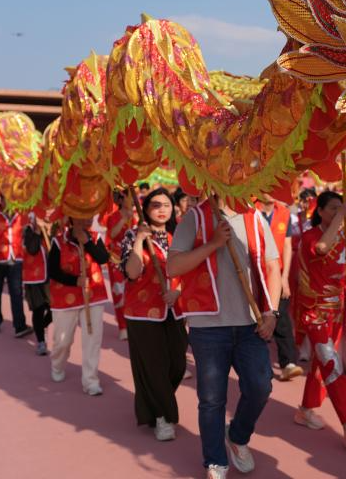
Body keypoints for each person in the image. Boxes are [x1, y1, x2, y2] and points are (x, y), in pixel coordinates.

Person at [167, 197, 281, 478]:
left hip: (250, 324)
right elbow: (173, 267)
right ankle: (215, 460)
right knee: (211, 399)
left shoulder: (254, 218)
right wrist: (213, 244)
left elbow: (272, 267)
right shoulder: (194, 217)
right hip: (208, 325)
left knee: (260, 386)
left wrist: (272, 312)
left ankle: (238, 435)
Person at [293, 191, 346, 448]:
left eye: (342, 208)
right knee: (332, 365)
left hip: (337, 311)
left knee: (321, 363)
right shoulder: (309, 236)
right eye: (333, 209)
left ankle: (305, 409)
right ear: (321, 211)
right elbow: (322, 248)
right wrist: (342, 217)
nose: (339, 213)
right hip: (315, 312)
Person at [121, 187, 188, 442]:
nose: (162, 209)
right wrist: (139, 239)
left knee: (178, 365)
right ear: (146, 209)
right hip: (142, 313)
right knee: (154, 367)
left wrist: (178, 292)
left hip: (176, 310)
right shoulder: (131, 235)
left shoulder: (179, 236)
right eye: (156, 205)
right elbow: (132, 272)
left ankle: (153, 401)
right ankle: (163, 416)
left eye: (167, 205)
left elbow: (190, 270)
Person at [48, 216, 110, 395]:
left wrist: (87, 242)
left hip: (94, 295)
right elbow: (52, 271)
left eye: (89, 217)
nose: (86, 221)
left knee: (93, 338)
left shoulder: (95, 237)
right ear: (71, 219)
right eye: (81, 217)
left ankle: (90, 380)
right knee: (63, 340)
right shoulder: (59, 242)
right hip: (65, 297)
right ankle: (57, 364)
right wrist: (75, 281)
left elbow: (103, 258)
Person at [254, 195, 303, 382]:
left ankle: (288, 363)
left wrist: (284, 278)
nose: (273, 192)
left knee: (281, 317)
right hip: (256, 272)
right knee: (256, 320)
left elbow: (288, 245)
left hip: (278, 272)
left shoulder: (283, 212)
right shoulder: (252, 210)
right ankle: (258, 365)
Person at [0, 198, 32, 337]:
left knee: (16, 293)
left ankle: (19, 325)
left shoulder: (22, 212)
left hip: (16, 259)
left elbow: (27, 235)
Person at [105, 191, 136, 341]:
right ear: (122, 199)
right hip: (116, 258)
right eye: (130, 196)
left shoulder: (135, 216)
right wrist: (124, 219)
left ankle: (132, 322)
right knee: (118, 291)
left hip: (132, 257)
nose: (132, 199)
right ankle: (122, 326)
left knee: (133, 289)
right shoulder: (113, 217)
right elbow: (112, 234)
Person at [22, 214, 54, 355]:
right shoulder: (27, 230)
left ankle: (43, 325)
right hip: (34, 278)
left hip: (50, 276)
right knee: (38, 310)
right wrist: (37, 231)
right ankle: (40, 341)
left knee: (54, 309)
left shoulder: (52, 228)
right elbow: (32, 248)